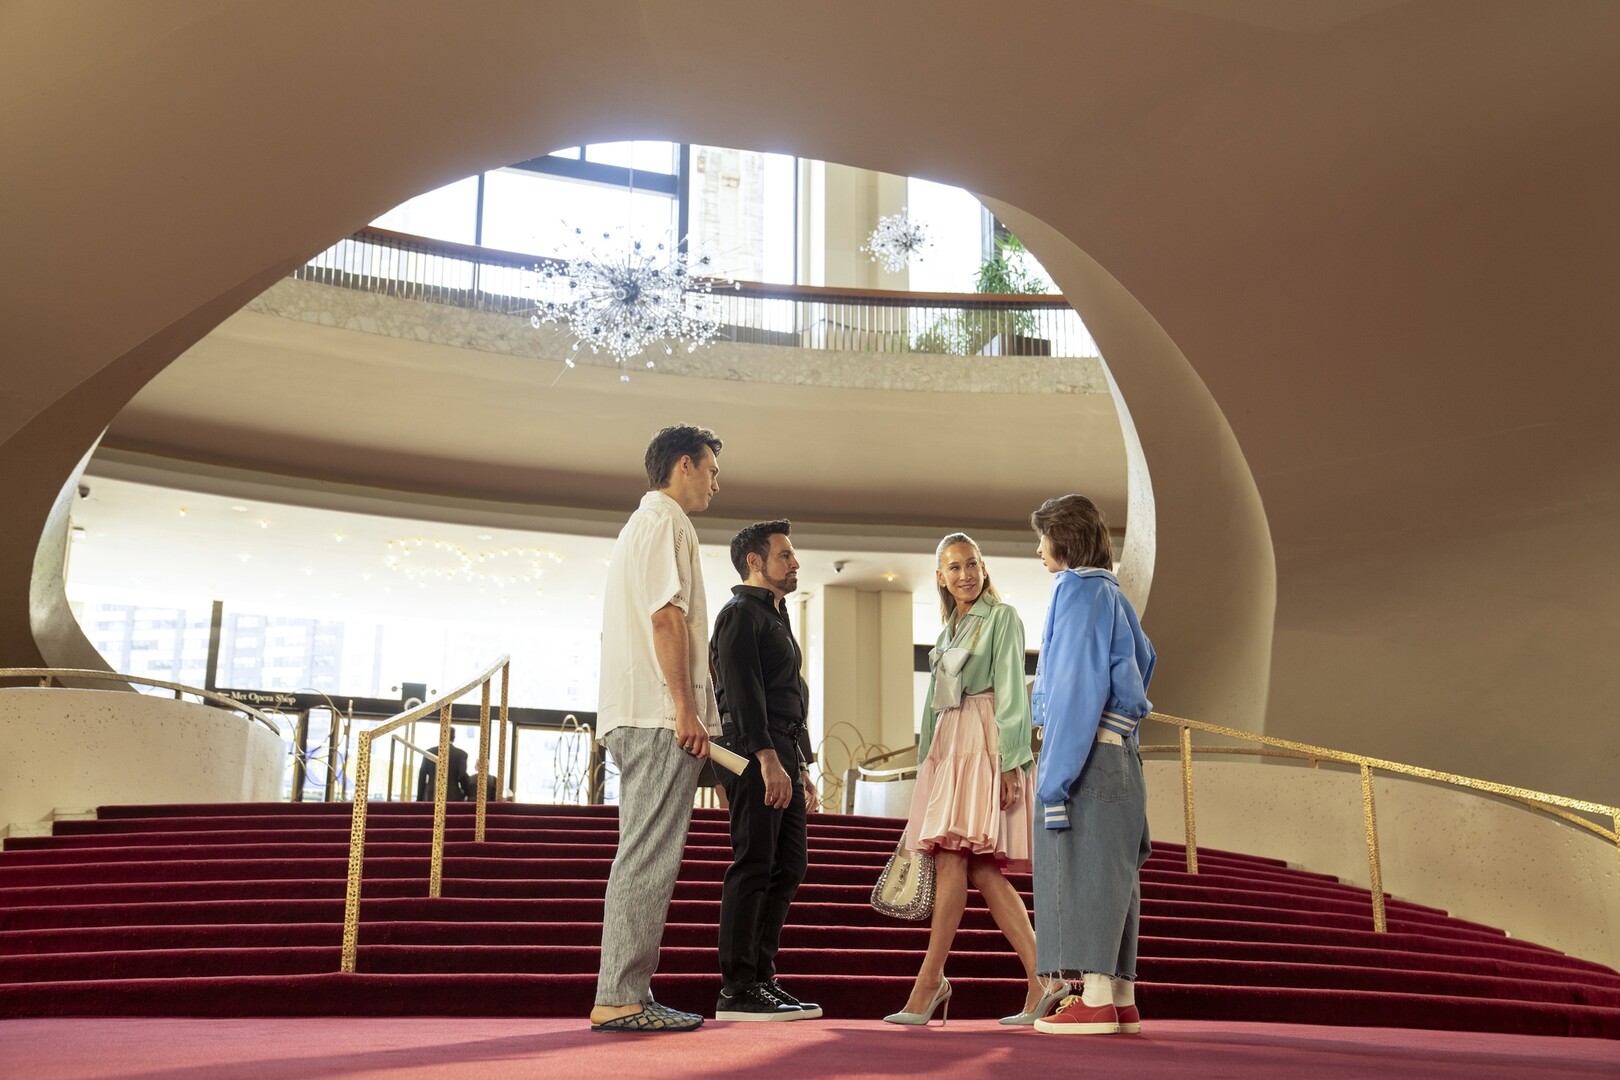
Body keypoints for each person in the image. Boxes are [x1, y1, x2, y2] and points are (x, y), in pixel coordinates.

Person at [884, 532, 1059, 1026]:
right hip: (950, 749)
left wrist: (1011, 762)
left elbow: (1011, 690)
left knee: (955, 862)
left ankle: (930, 982)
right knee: (978, 868)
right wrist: (925, 769)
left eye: (973, 565)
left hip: (984, 744)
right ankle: (1042, 978)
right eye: (955, 568)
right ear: (940, 576)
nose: (966, 574)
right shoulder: (945, 633)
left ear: (983, 569)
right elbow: (932, 708)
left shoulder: (1000, 618)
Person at [588, 424, 724, 1034]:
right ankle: (621, 996)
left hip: (639, 712)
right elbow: (666, 618)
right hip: (656, 715)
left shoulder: (641, 525)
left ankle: (628, 991)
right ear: (684, 466)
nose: (718, 481)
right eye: (712, 468)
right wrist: (684, 709)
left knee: (644, 855)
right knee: (648, 858)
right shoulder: (666, 521)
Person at [1027, 494, 1156, 1036]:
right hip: (1121, 751)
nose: (1038, 550)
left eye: (1043, 537)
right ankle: (1121, 998)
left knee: (1083, 868)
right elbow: (1146, 659)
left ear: (1065, 538)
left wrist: (1053, 780)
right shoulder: (1113, 593)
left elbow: (1077, 689)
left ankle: (1096, 999)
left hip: (1087, 754)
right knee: (1116, 874)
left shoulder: (1077, 591)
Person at [709, 520, 822, 1021]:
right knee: (755, 862)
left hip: (783, 752)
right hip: (756, 752)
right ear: (755, 561)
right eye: (785, 555)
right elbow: (741, 692)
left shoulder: (777, 616)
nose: (795, 562)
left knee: (789, 864)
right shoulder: (739, 616)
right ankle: (736, 988)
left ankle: (761, 978)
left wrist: (803, 764)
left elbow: (790, 696)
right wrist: (768, 757)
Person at [414, 727, 474, 803]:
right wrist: (466, 792)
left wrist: (419, 798)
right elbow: (462, 775)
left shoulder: (429, 752)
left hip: (431, 794)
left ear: (440, 736)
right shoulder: (461, 754)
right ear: (454, 737)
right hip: (452, 794)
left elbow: (422, 775)